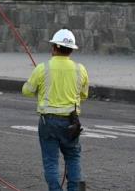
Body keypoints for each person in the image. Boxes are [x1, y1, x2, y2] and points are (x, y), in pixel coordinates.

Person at [22, 29, 89, 191]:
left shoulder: (42, 68)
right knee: (73, 158)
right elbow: (83, 95)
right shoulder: (81, 69)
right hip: (71, 123)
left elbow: (27, 90)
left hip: (49, 122)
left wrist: (41, 89)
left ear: (54, 48)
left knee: (51, 161)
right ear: (71, 49)